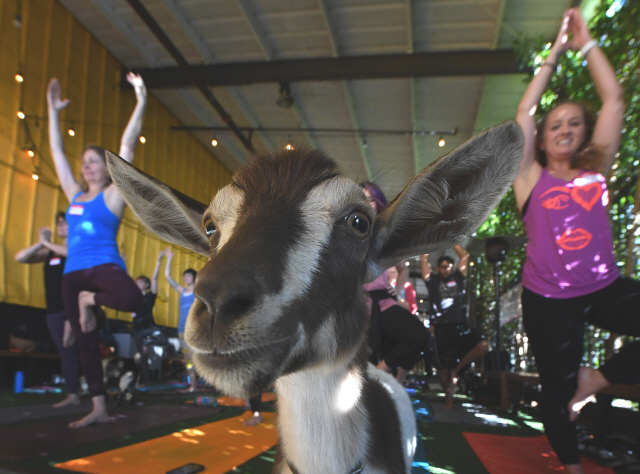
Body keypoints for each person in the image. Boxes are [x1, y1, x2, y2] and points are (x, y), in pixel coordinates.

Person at [513, 9, 639, 473]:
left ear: (584, 135)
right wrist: (553, 55)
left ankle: (597, 380)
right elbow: (523, 113)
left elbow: (614, 100)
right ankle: (571, 467)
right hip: (547, 298)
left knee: (578, 384)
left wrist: (586, 44)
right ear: (543, 140)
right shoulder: (530, 178)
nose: (565, 129)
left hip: (603, 288)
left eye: (574, 124)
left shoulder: (595, 174)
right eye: (555, 126)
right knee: (555, 390)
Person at [46, 72, 147, 427]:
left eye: (95, 161)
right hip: (72, 275)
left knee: (134, 300)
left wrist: (141, 99)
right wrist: (53, 111)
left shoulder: (113, 196)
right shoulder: (74, 194)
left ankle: (91, 300)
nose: (88, 166)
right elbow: (57, 152)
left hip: (104, 268)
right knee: (85, 343)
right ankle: (99, 407)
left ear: (107, 170)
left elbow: (128, 145)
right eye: (85, 161)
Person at [360, 181, 431, 384]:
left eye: (372, 199)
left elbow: (403, 269)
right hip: (358, 306)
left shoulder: (384, 236)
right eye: (363, 198)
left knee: (420, 336)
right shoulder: (347, 231)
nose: (368, 203)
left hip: (383, 303)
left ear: (378, 204)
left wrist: (397, 291)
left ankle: (380, 374)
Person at [15, 212, 81, 408]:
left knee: (79, 349)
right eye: (59, 223)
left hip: (73, 308)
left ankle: (87, 391)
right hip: (53, 310)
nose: (61, 226)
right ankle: (74, 393)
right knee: (65, 351)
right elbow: (20, 257)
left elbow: (69, 253)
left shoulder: (76, 246)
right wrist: (41, 243)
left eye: (65, 223)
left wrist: (47, 243)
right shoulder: (49, 252)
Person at [421, 246, 488, 409]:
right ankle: (448, 397)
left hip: (459, 326)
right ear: (438, 268)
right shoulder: (432, 281)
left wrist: (452, 240)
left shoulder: (458, 278)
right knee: (443, 371)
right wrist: (436, 241)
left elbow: (464, 256)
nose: (446, 269)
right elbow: (424, 259)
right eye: (443, 266)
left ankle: (456, 370)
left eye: (449, 266)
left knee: (483, 345)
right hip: (440, 328)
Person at [163, 248, 198, 392]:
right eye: (184, 276)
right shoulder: (182, 291)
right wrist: (169, 258)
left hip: (194, 330)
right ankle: (193, 386)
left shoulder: (197, 291)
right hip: (181, 330)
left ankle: (211, 383)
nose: (185, 278)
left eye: (188, 276)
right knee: (188, 360)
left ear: (194, 278)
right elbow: (167, 276)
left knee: (198, 357)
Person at [131, 250, 164, 386]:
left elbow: (155, 278)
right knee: (142, 358)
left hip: (150, 328)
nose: (137, 283)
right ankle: (146, 382)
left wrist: (158, 261)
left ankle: (148, 343)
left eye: (140, 282)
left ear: (146, 284)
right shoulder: (133, 297)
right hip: (137, 330)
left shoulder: (150, 296)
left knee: (163, 339)